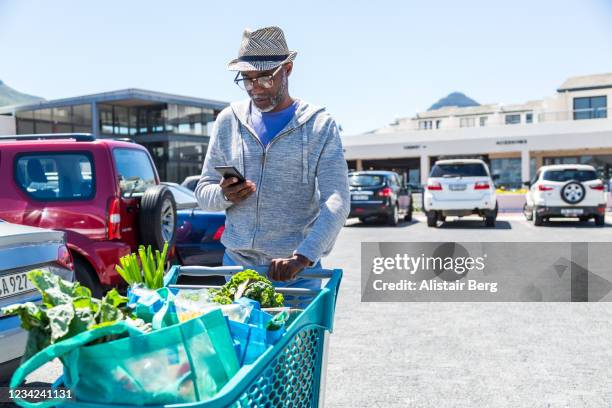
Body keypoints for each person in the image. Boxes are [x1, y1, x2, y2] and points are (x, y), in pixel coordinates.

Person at [195, 26, 349, 289]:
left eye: (264, 78)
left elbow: (337, 200)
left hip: (296, 275)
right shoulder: (228, 121)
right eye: (247, 79)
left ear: (287, 69)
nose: (255, 89)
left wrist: (303, 256)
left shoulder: (318, 125)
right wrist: (224, 195)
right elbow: (203, 190)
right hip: (236, 271)